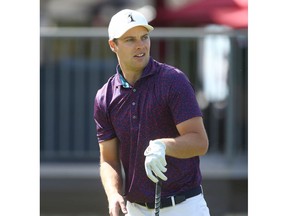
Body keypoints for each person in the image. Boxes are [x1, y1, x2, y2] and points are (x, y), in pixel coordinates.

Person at [93, 9, 210, 216]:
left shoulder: (173, 81)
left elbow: (199, 142)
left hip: (185, 207)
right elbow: (108, 160)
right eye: (130, 39)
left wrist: (164, 146)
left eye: (144, 37)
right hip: (136, 210)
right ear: (113, 45)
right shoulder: (105, 96)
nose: (140, 45)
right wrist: (113, 194)